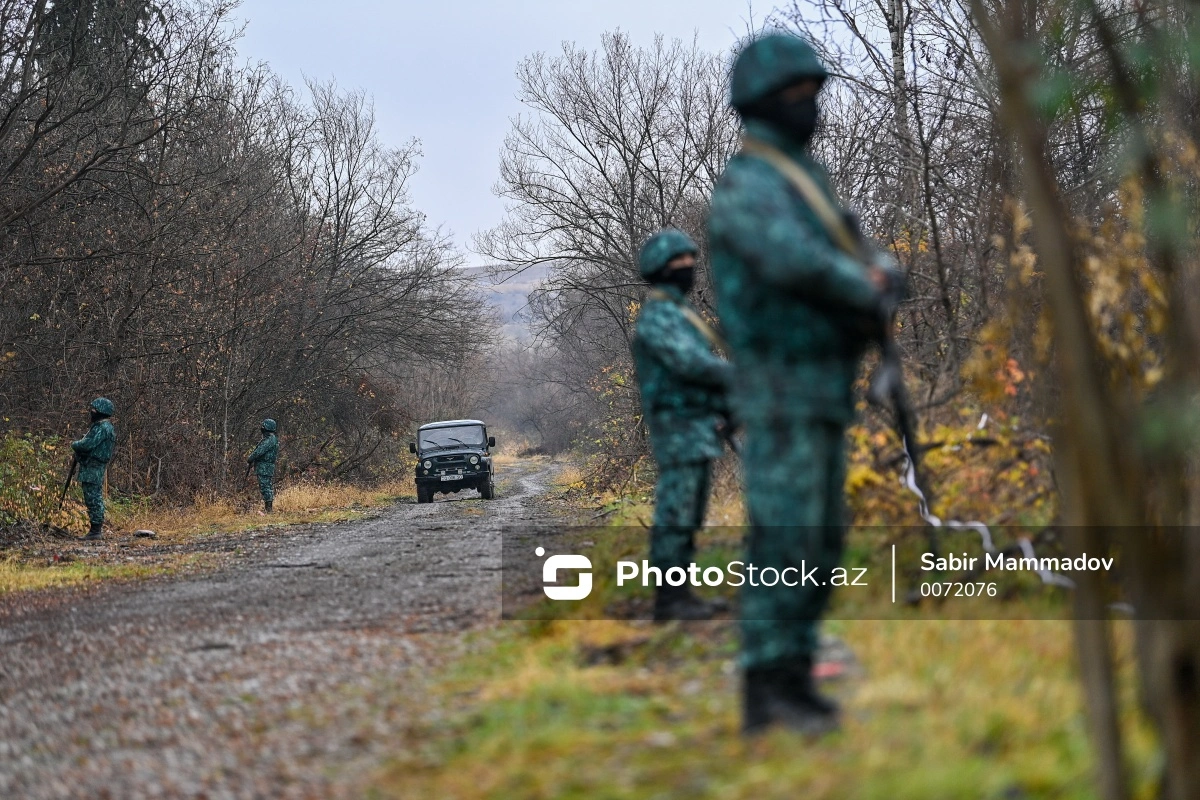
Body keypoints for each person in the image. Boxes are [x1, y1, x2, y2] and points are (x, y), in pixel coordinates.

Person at [707, 33, 894, 734]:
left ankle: (797, 669)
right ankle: (769, 683)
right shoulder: (750, 185)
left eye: (815, 96)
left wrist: (881, 274)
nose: (811, 109)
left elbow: (846, 246)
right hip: (780, 385)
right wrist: (863, 287)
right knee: (784, 539)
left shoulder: (805, 178)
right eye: (798, 97)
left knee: (821, 537)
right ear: (761, 103)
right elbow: (797, 264)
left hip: (822, 383)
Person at [631, 228, 734, 621]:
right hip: (677, 427)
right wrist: (739, 377)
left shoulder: (679, 314)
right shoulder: (658, 317)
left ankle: (682, 594)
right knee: (676, 510)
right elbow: (692, 364)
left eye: (692, 261)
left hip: (697, 423)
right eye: (680, 263)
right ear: (660, 269)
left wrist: (726, 406)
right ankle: (669, 600)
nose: (689, 268)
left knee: (691, 511)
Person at [71, 397, 116, 541]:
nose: (91, 412)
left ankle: (95, 530)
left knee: (93, 497)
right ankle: (95, 529)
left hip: (93, 466)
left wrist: (75, 444)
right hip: (91, 465)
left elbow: (87, 445)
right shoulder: (102, 426)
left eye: (94, 410)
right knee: (92, 495)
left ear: (101, 411)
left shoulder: (102, 428)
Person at [247, 419, 279, 513]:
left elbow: (259, 451)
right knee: (266, 486)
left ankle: (269, 510)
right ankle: (268, 509)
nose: (262, 428)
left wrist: (250, 458)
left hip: (265, 467)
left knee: (265, 487)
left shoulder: (270, 439)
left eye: (263, 427)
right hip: (265, 466)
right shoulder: (270, 438)